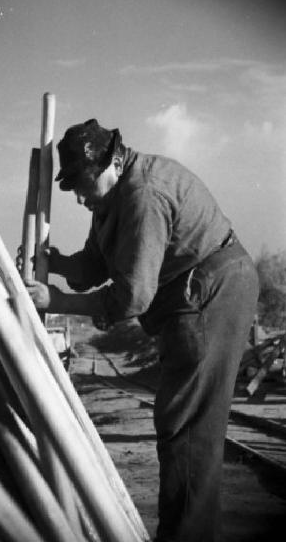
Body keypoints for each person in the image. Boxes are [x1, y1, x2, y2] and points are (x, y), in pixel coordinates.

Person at [22, 118, 259, 542]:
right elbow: (91, 267)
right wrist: (55, 263)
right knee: (179, 422)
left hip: (212, 292)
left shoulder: (141, 195)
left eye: (82, 183)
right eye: (71, 185)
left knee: (187, 426)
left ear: (113, 162)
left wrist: (58, 303)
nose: (77, 196)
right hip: (190, 294)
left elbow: (133, 298)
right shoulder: (109, 199)